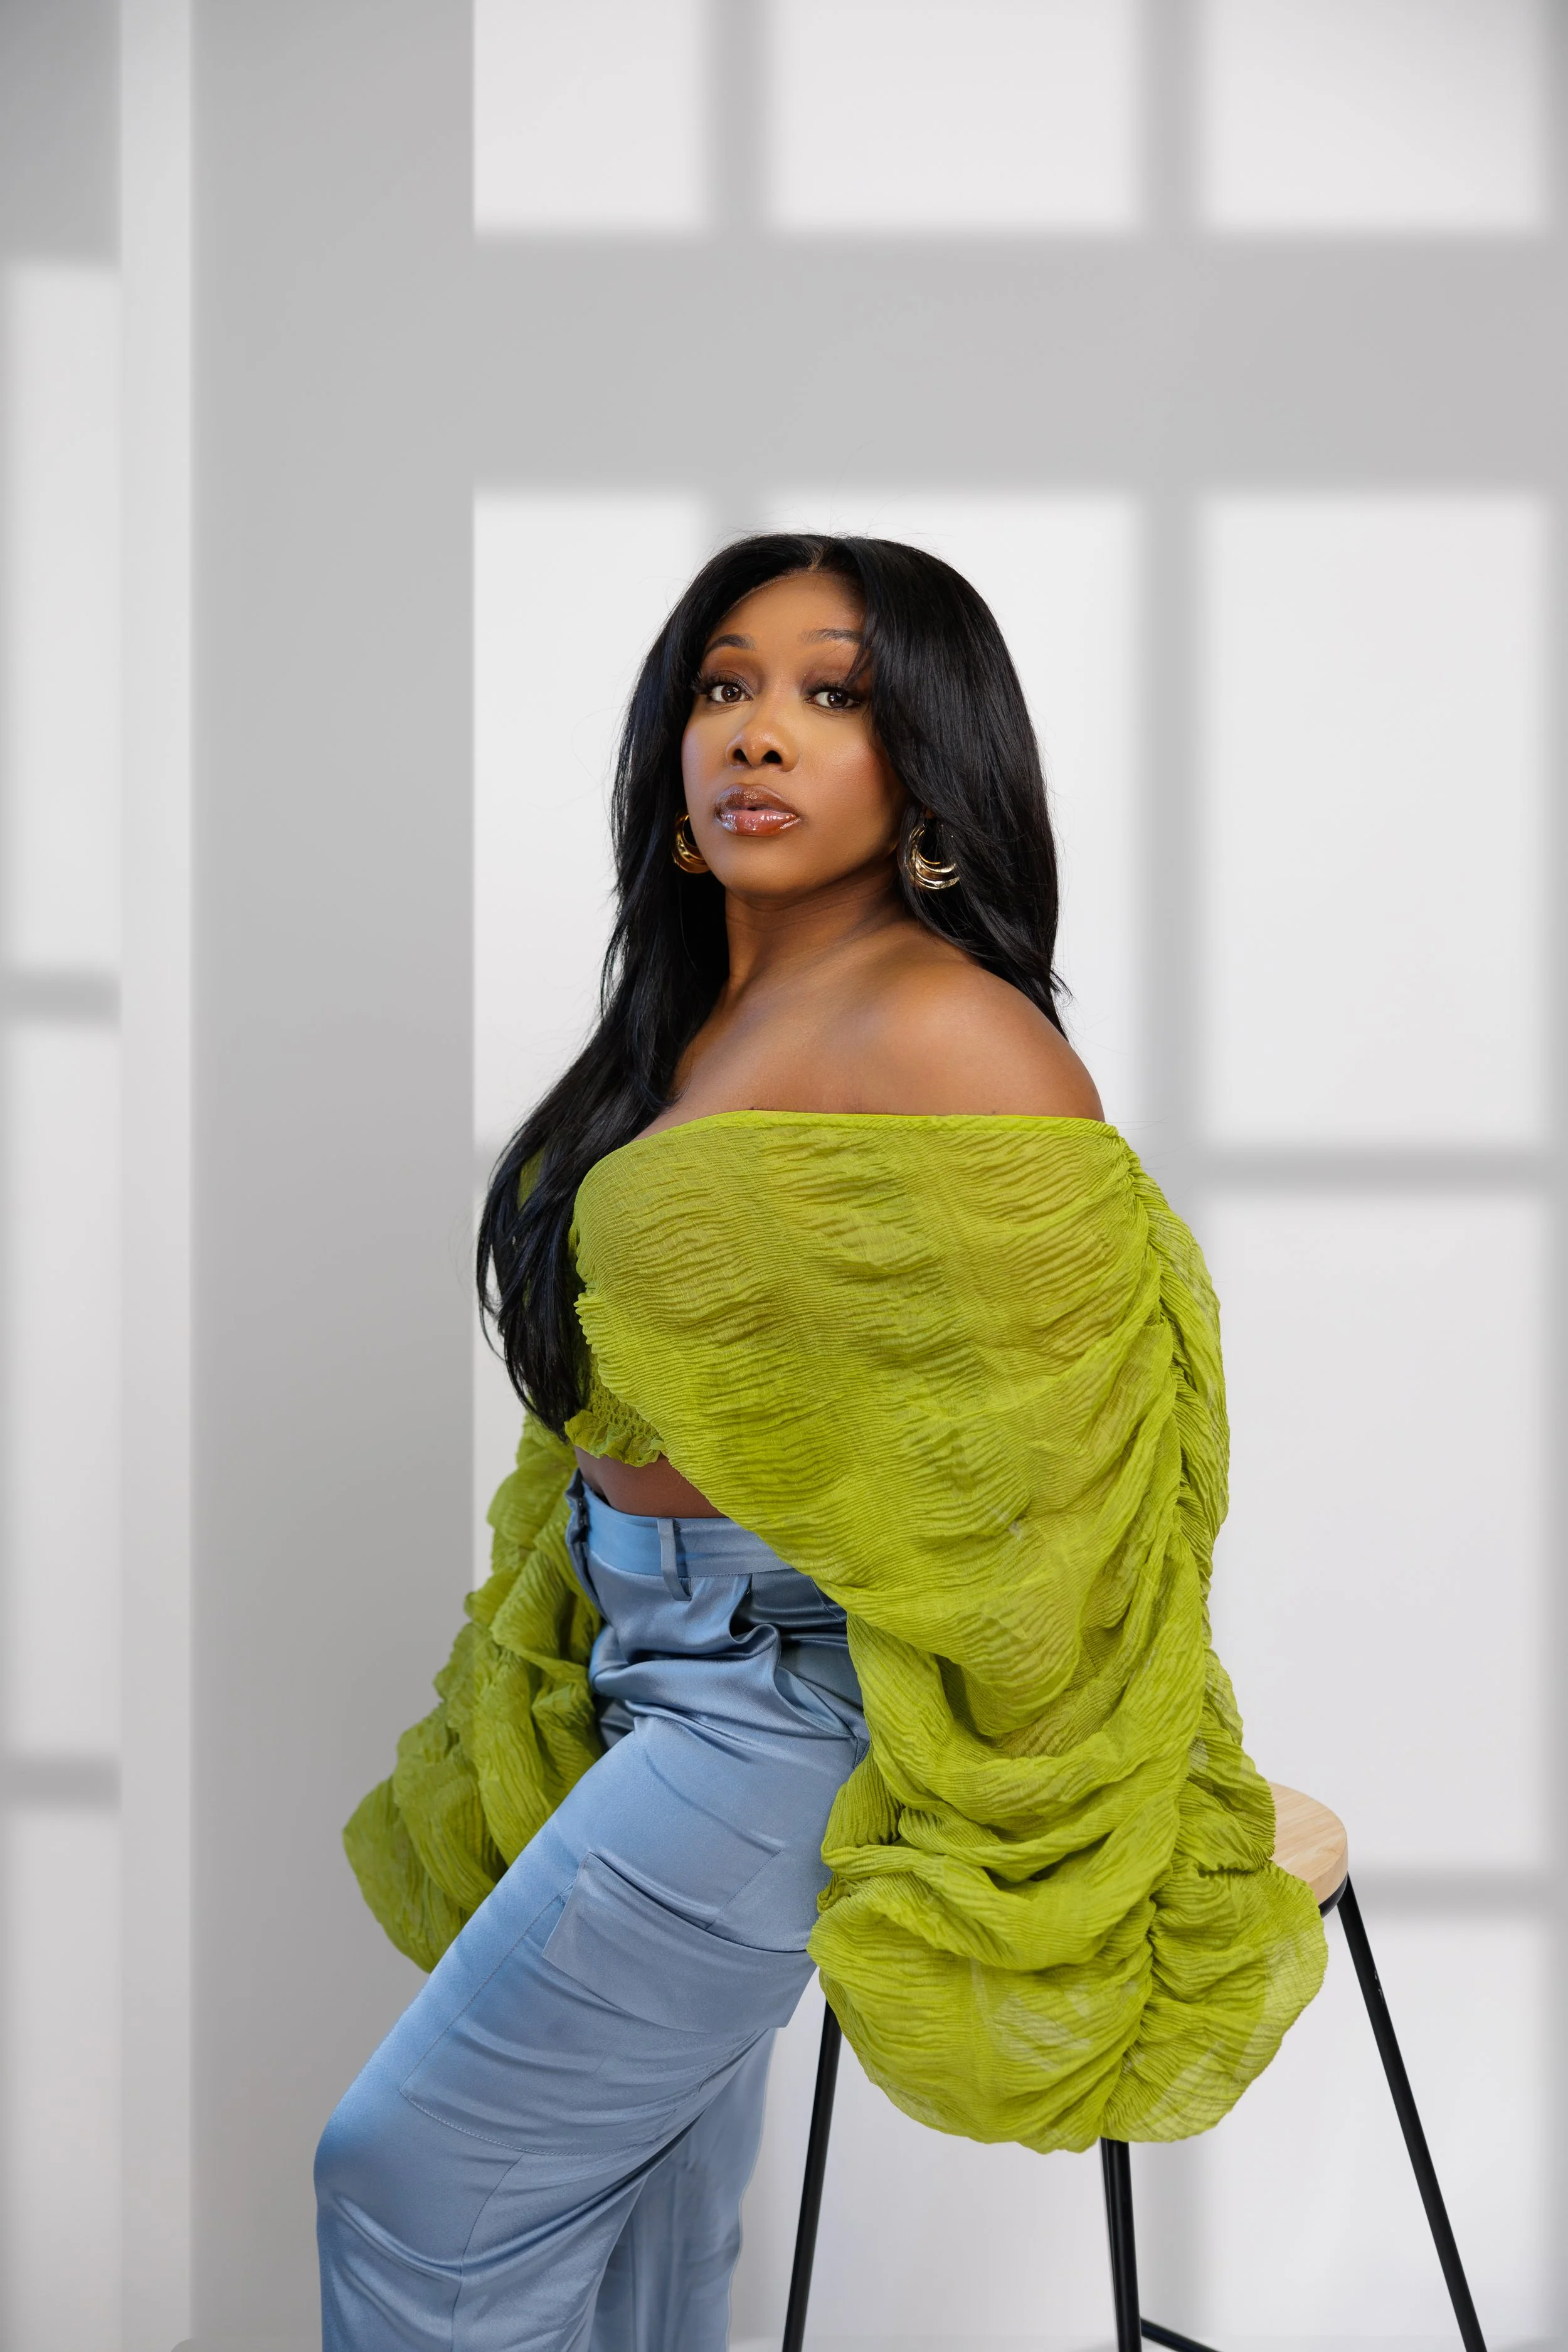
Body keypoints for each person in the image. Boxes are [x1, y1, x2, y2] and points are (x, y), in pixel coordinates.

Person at [315, 536, 1325, 2351]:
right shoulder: (684, 1028)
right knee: (638, 2216)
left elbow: (1070, 1480)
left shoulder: (951, 1032)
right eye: (723, 685)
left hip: (802, 1695)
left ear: (928, 759)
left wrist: (1037, 1798)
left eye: (830, 692)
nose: (759, 732)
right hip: (635, 1650)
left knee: (410, 2180)